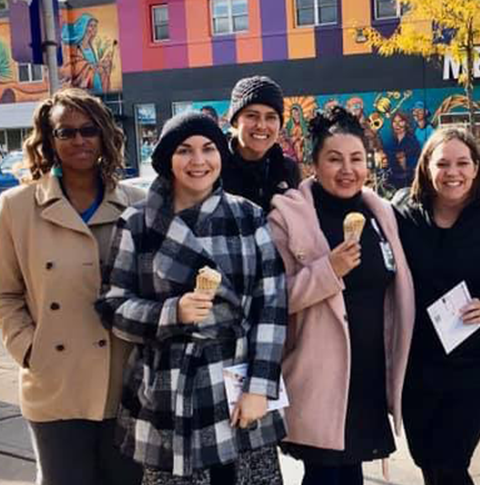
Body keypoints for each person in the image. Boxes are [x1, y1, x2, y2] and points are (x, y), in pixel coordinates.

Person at [96, 112, 288, 485]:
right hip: (171, 388)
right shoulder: (137, 223)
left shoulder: (248, 217)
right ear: (167, 158)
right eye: (185, 150)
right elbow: (113, 306)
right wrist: (172, 313)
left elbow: (272, 307)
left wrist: (260, 388)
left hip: (239, 379)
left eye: (208, 149)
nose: (198, 161)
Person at [0, 88, 145, 485]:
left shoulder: (138, 204)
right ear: (48, 140)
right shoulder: (17, 207)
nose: (79, 141)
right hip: (56, 381)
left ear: (105, 135)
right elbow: (0, 293)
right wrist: (30, 349)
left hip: (125, 380)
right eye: (65, 132)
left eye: (88, 130)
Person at [267, 106, 414, 485]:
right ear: (314, 163)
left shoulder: (380, 212)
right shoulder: (289, 217)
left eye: (356, 159)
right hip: (319, 376)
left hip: (366, 375)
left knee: (349, 476)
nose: (347, 169)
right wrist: (328, 271)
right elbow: (271, 301)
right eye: (334, 159)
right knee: (325, 476)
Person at [394, 127, 480, 485]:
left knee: (449, 463)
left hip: (477, 367)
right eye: (443, 163)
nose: (453, 172)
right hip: (418, 366)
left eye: (463, 163)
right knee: (427, 460)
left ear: (476, 169)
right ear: (426, 168)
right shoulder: (403, 214)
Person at [221, 76, 303, 211]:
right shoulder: (216, 168)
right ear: (235, 121)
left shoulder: (287, 169)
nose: (261, 125)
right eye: (252, 116)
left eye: (271, 117)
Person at [61, 13, 116, 94]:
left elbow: (95, 65)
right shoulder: (75, 48)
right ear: (84, 27)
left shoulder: (91, 46)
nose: (94, 28)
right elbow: (74, 67)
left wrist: (105, 64)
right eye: (91, 25)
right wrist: (93, 67)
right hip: (85, 89)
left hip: (98, 86)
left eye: (95, 26)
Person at [382, 111, 421, 191]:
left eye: (401, 121)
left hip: (408, 184)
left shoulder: (413, 142)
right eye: (394, 122)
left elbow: (416, 167)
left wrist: (404, 163)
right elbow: (385, 166)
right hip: (391, 184)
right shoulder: (389, 142)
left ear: (406, 123)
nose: (397, 124)